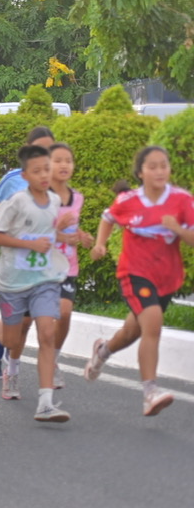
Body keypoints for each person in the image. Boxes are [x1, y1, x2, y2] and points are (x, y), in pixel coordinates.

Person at [86, 146, 194, 417]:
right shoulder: (128, 201)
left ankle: (103, 350)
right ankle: (150, 393)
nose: (159, 171)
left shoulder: (182, 201)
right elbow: (107, 217)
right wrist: (100, 244)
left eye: (163, 165)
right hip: (134, 273)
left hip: (166, 278)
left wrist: (177, 229)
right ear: (141, 172)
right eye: (152, 166)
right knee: (153, 323)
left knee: (133, 331)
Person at [0, 144, 70, 422]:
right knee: (11, 339)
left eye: (47, 169)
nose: (45, 175)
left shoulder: (55, 201)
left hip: (43, 279)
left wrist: (67, 236)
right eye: (37, 171)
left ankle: (45, 403)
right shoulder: (17, 201)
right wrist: (27, 244)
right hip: (13, 281)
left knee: (46, 332)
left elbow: (48, 235)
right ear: (25, 174)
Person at [0, 126, 58, 377]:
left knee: (26, 320)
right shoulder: (14, 178)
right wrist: (0, 225)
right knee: (19, 320)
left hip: (40, 261)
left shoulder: (54, 181)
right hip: (14, 256)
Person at [43, 143, 92, 387]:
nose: (64, 165)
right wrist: (59, 232)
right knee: (29, 323)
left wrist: (82, 236)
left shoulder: (77, 198)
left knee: (64, 314)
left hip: (68, 267)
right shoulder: (40, 198)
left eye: (68, 161)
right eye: (58, 160)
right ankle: (13, 360)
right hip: (41, 266)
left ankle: (53, 359)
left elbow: (73, 227)